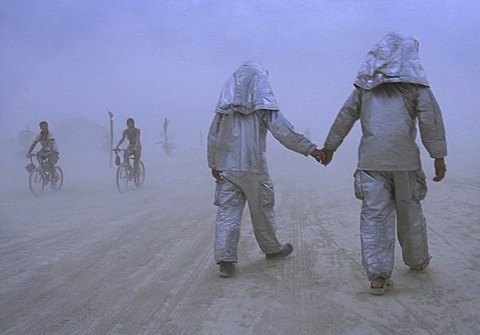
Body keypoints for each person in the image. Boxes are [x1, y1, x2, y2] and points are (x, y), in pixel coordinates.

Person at [319, 32, 447, 295]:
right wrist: (438, 157)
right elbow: (430, 123)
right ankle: (417, 260)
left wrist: (330, 147)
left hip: (371, 163)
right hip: (406, 163)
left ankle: (378, 276)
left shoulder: (364, 88)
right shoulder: (417, 88)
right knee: (410, 213)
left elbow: (345, 117)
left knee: (375, 217)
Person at [207, 61, 324, 277]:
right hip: (253, 167)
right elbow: (284, 131)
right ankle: (272, 249)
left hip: (227, 168)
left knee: (227, 212)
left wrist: (213, 163)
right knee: (262, 209)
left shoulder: (223, 109)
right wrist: (311, 149)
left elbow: (213, 136)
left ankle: (225, 260)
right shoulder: (262, 108)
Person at [26, 121, 60, 188]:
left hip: (53, 151)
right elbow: (34, 143)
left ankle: (53, 180)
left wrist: (49, 151)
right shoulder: (39, 135)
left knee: (51, 163)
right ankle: (43, 172)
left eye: (45, 126)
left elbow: (51, 143)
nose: (44, 127)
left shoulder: (50, 134)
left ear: (47, 126)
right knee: (38, 155)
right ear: (40, 128)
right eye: (42, 126)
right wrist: (29, 152)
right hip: (44, 151)